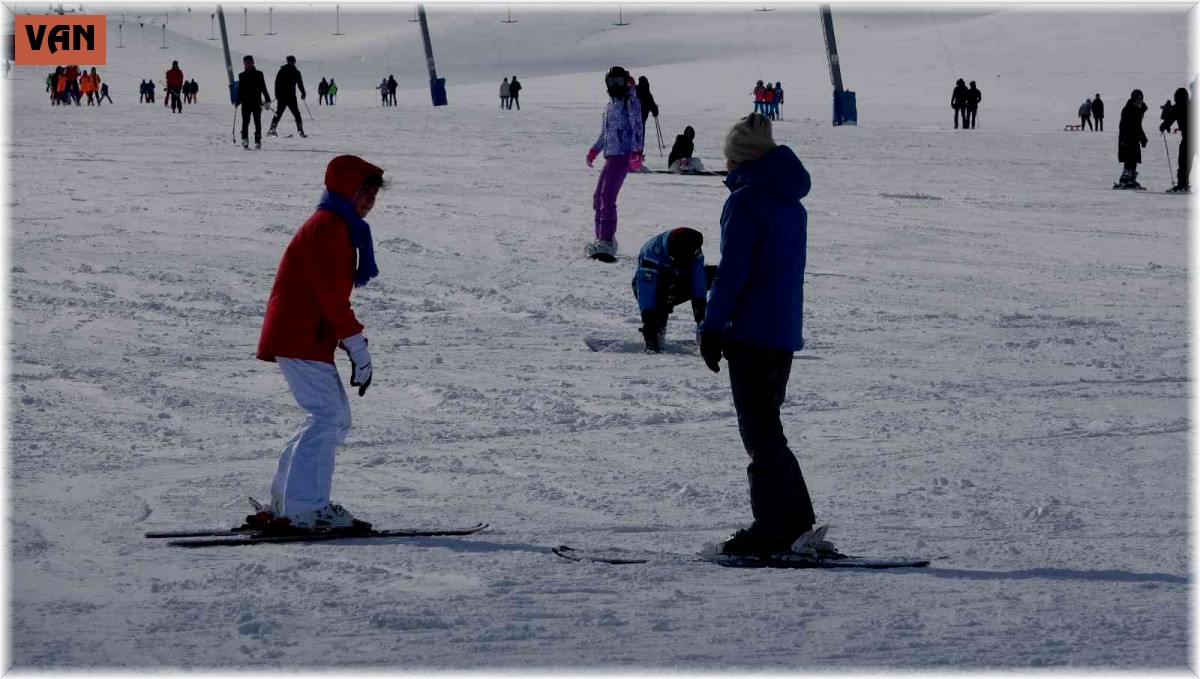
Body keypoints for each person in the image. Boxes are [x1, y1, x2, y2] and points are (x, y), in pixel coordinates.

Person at [698, 113, 834, 558]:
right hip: (780, 331)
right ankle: (795, 521)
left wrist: (712, 326)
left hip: (752, 331)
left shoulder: (747, 200)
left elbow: (734, 273)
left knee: (760, 434)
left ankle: (773, 529)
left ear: (739, 158)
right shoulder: (791, 201)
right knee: (768, 427)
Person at [255, 154, 385, 532]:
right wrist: (357, 346)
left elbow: (325, 297)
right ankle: (305, 508)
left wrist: (350, 343)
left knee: (323, 417)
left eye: (374, 193)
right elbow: (330, 298)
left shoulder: (336, 225)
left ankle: (285, 503)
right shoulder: (330, 227)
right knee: (330, 418)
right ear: (345, 189)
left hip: (301, 334)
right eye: (363, 191)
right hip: (301, 336)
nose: (369, 199)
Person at [585, 66, 643, 261]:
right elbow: (605, 133)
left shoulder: (630, 101)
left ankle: (607, 240)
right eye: (611, 82)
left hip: (623, 154)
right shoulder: (610, 105)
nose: (614, 86)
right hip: (611, 154)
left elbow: (637, 127)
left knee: (607, 196)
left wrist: (637, 151)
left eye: (618, 82)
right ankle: (601, 237)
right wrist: (594, 149)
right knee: (598, 197)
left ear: (625, 81)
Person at [632, 228, 710, 353]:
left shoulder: (694, 252)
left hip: (676, 283)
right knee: (662, 291)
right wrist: (648, 320)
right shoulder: (652, 252)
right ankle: (656, 333)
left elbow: (698, 283)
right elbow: (646, 290)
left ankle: (720, 329)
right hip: (652, 287)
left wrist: (700, 317)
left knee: (718, 276)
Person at [1115, 89, 1148, 189]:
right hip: (1127, 139)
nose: (1139, 100)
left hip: (1134, 139)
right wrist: (1124, 139)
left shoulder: (1138, 110)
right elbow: (1123, 125)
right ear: (1134, 99)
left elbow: (1138, 126)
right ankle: (1125, 180)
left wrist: (1143, 139)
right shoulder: (1128, 109)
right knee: (1129, 159)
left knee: (1134, 160)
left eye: (1141, 98)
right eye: (1138, 98)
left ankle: (1130, 180)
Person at [237, 55, 272, 149]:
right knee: (245, 122)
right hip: (245, 102)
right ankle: (245, 139)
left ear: (253, 63)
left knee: (257, 121)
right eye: (246, 63)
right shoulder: (242, 75)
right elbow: (240, 89)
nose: (248, 65)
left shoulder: (259, 74)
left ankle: (258, 140)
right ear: (244, 64)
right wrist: (238, 100)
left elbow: (263, 87)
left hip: (256, 102)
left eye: (249, 63)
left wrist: (267, 99)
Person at [1159, 87, 1190, 193]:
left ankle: (1182, 185)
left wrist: (1164, 126)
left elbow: (1169, 119)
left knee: (1184, 162)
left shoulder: (1177, 108)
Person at [269, 55, 307, 138]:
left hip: (292, 97)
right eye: (291, 61)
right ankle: (272, 128)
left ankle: (300, 130)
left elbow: (300, 83)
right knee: (279, 113)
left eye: (294, 62)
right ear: (288, 61)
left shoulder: (296, 72)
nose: (292, 63)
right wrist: (277, 94)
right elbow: (277, 83)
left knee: (296, 113)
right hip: (282, 96)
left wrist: (303, 93)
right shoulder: (282, 71)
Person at [635, 75, 659, 140]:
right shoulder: (647, 94)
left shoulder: (635, 90)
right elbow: (653, 108)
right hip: (641, 120)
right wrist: (655, 111)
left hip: (634, 120)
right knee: (640, 140)